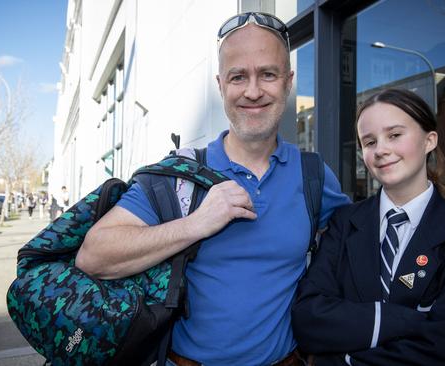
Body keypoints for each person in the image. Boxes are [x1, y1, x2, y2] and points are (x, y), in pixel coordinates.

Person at [75, 12, 351, 365]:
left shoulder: (313, 175)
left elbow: (357, 250)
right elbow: (93, 257)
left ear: (288, 82)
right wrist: (195, 225)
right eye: (239, 77)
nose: (253, 91)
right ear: (221, 85)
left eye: (268, 74)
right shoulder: (180, 176)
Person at [291, 89, 445, 366]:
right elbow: (308, 319)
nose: (381, 150)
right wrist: (406, 320)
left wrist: (343, 360)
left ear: (429, 140)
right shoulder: (344, 223)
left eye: (394, 135)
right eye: (369, 142)